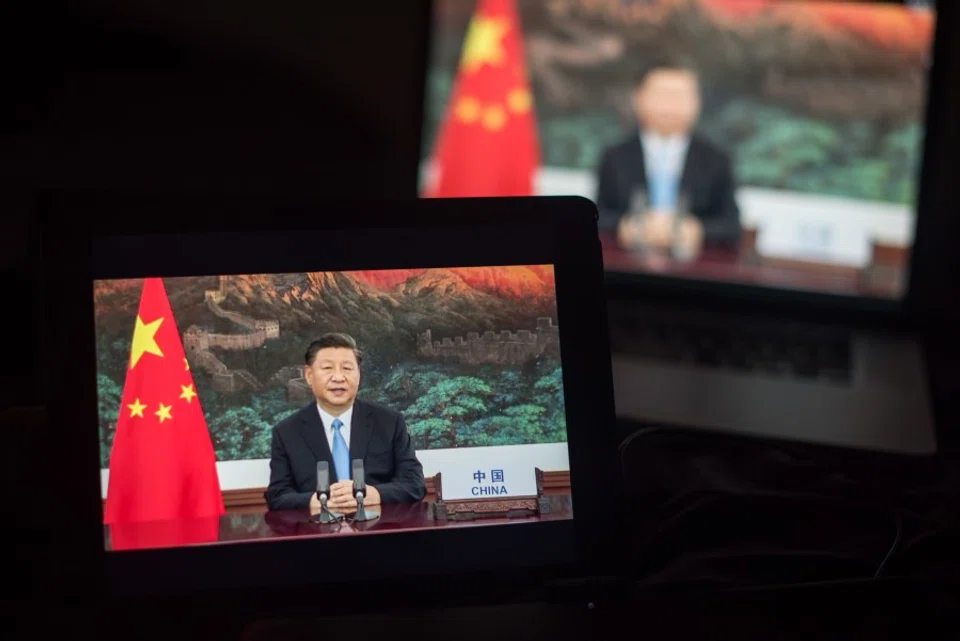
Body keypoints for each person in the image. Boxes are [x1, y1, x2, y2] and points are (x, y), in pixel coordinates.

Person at [595, 56, 742, 256]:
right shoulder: (615, 155)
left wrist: (695, 230)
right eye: (662, 94)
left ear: (697, 101)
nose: (671, 104)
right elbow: (599, 216)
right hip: (627, 269)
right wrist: (625, 226)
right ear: (638, 97)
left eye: (680, 95)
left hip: (695, 273)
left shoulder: (716, 158)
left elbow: (731, 226)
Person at [265, 333, 426, 511]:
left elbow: (415, 484)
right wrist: (314, 501)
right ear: (309, 375)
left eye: (347, 368)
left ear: (359, 374)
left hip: (378, 532)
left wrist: (375, 494)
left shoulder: (389, 423)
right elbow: (277, 495)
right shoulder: (287, 432)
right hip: (317, 534)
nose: (338, 377)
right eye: (327, 368)